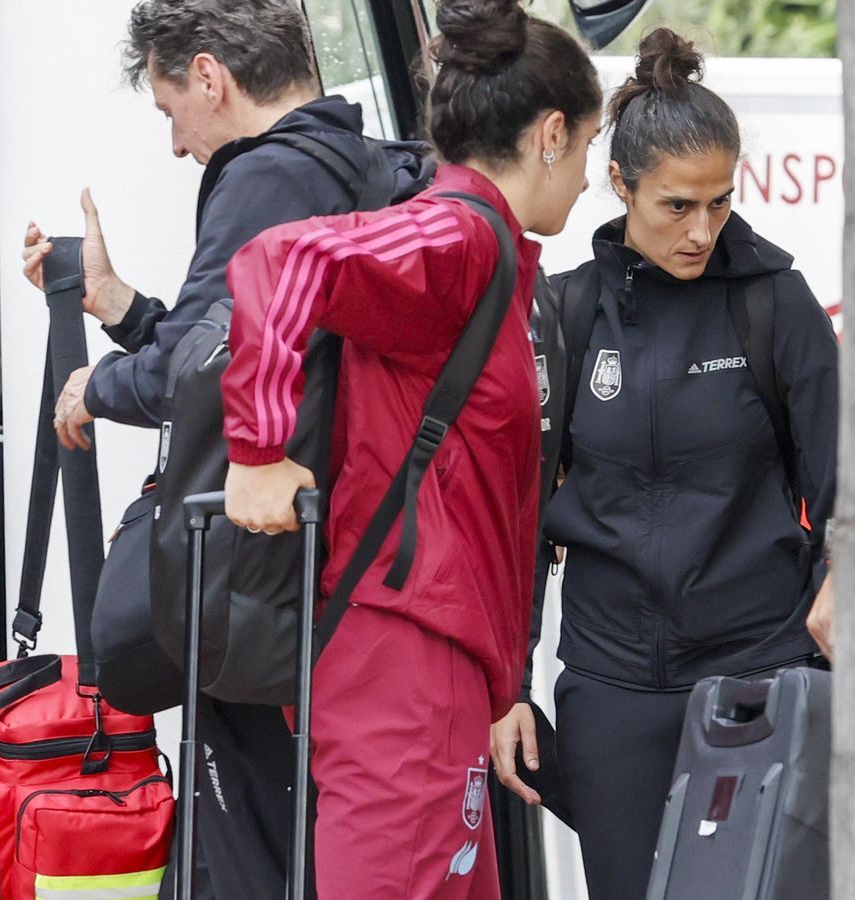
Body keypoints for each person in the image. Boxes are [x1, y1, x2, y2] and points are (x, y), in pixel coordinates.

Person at [20, 1, 429, 896]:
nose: (175, 144)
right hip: (324, 572)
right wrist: (121, 307)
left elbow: (204, 371)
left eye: (172, 111)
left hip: (258, 580)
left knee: (246, 855)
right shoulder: (350, 164)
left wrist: (99, 386)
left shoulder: (268, 176)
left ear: (211, 75)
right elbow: (236, 347)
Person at [217, 0, 602, 894]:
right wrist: (256, 448)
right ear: (550, 134)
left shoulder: (492, 251)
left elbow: (484, 498)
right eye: (585, 147)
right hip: (399, 668)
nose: (587, 179)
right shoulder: (461, 234)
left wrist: (504, 685)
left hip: (437, 673)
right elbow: (284, 263)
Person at [489, 29, 839, 900]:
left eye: (719, 203)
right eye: (676, 206)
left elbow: (850, 480)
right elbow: (520, 523)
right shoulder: (564, 316)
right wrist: (507, 683)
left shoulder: (774, 302)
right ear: (620, 185)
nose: (702, 230)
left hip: (760, 669)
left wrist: (846, 574)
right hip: (614, 687)